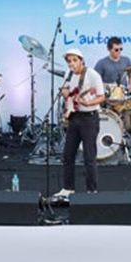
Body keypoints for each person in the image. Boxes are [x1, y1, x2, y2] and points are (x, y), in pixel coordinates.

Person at [54, 48, 105, 200]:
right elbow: (65, 88)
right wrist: (65, 92)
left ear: (81, 61)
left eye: (74, 60)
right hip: (74, 117)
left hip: (89, 118)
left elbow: (101, 97)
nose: (72, 64)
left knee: (89, 157)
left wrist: (87, 103)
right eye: (69, 61)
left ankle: (91, 191)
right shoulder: (69, 74)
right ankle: (68, 188)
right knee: (68, 155)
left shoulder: (93, 75)